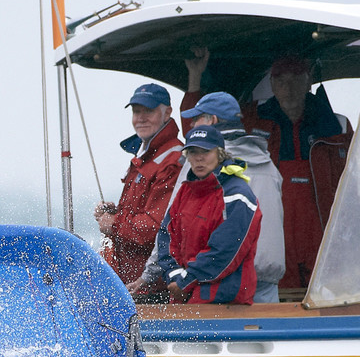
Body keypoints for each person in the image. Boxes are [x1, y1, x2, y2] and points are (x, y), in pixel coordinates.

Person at [183, 49, 348, 290]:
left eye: (295, 77)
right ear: (271, 83)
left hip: (323, 232)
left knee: (326, 295)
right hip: (274, 229)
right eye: (280, 80)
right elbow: (198, 129)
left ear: (308, 80)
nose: (288, 87)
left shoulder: (338, 125)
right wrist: (195, 78)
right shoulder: (252, 119)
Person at [130, 91, 286, 303]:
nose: (192, 125)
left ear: (211, 121)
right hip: (268, 279)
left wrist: (148, 276)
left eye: (196, 119)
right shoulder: (268, 163)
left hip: (220, 281)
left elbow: (173, 225)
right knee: (264, 337)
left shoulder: (201, 165)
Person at [152, 124, 263, 305]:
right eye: (193, 152)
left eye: (206, 151)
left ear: (220, 153)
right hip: (186, 299)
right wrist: (173, 274)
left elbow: (224, 252)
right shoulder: (185, 192)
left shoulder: (237, 195)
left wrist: (185, 281)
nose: (199, 158)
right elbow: (167, 236)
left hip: (225, 304)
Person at [96, 83, 183, 285]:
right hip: (134, 280)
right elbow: (143, 211)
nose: (141, 118)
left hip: (155, 284)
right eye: (137, 111)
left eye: (149, 111)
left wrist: (114, 222)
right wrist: (115, 211)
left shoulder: (172, 159)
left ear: (167, 112)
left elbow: (156, 226)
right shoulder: (147, 153)